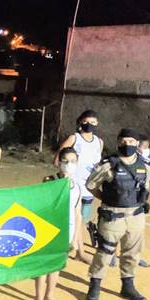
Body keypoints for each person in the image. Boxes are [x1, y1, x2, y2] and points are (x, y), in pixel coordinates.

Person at [85, 128, 149, 300]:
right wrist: (105, 198)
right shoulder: (108, 164)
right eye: (123, 141)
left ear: (137, 143)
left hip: (136, 216)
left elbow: (146, 185)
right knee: (104, 252)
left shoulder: (145, 165)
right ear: (118, 142)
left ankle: (127, 286)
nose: (127, 144)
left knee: (132, 253)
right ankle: (95, 286)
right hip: (113, 216)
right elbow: (91, 185)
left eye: (131, 141)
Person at [34, 147, 83, 300]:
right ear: (59, 162)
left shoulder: (76, 187)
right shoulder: (49, 181)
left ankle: (50, 295)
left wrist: (75, 239)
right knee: (44, 264)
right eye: (66, 161)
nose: (70, 165)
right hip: (48, 230)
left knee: (57, 264)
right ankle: (39, 299)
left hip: (67, 231)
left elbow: (78, 214)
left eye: (74, 161)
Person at [55, 110, 103, 259]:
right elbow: (58, 159)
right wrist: (66, 175)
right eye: (86, 122)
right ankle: (76, 250)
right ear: (80, 122)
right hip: (73, 187)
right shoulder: (74, 138)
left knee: (82, 219)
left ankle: (78, 249)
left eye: (93, 122)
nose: (90, 125)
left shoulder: (99, 142)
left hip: (89, 189)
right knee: (69, 218)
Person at [111, 134, 150, 268]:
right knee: (116, 229)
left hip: (136, 202)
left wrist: (144, 200)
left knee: (135, 232)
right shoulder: (118, 160)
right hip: (120, 201)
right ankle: (111, 254)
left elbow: (147, 183)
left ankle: (136, 256)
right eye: (142, 147)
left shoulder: (147, 163)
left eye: (147, 147)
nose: (144, 150)